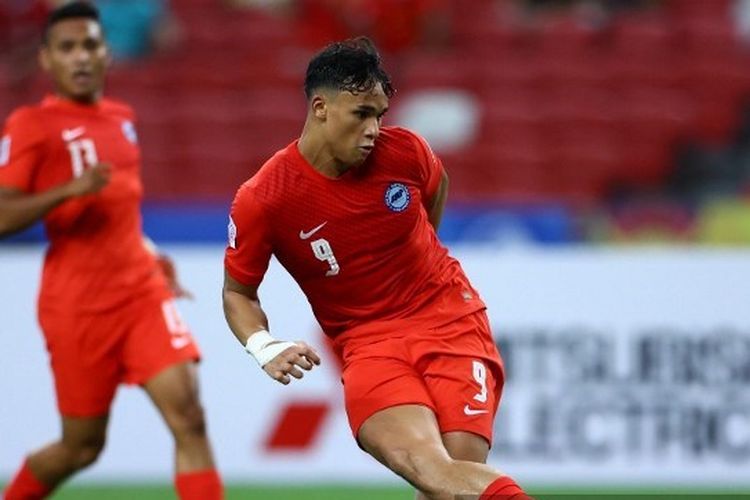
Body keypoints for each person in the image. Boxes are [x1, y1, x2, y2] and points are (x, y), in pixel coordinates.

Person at [222, 36, 531, 500]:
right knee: (430, 470)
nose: (373, 129)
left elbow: (435, 192)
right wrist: (264, 346)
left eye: (379, 115)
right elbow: (238, 293)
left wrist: (419, 263)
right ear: (321, 108)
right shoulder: (265, 198)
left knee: (451, 476)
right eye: (361, 114)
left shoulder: (405, 152)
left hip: (451, 322)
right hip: (367, 344)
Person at [0, 3, 223, 499]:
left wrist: (147, 250)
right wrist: (67, 191)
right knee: (81, 446)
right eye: (67, 48)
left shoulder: (122, 119)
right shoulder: (31, 126)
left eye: (90, 45)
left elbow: (120, 206)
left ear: (107, 54)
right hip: (77, 307)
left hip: (140, 293)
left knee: (189, 416)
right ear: (46, 60)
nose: (81, 57)